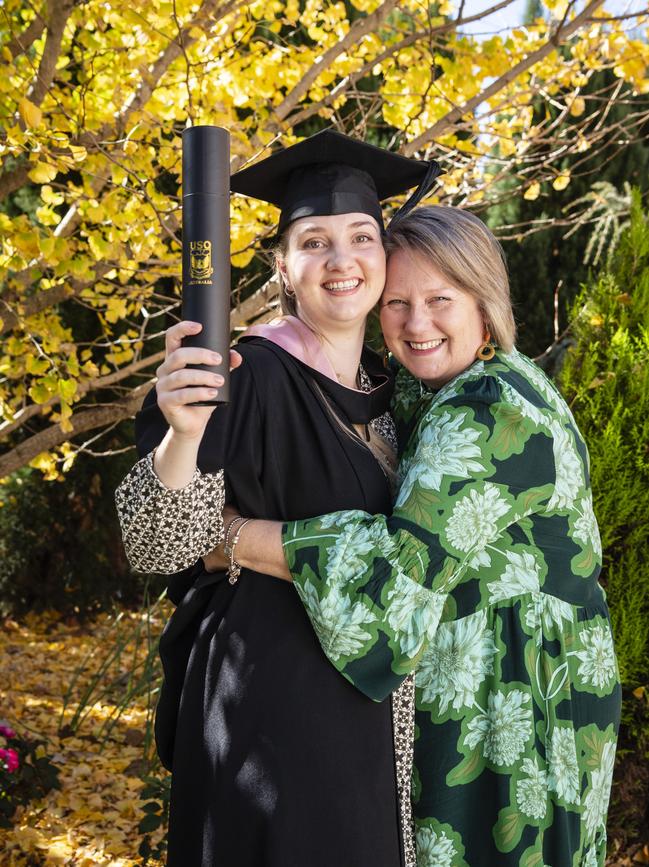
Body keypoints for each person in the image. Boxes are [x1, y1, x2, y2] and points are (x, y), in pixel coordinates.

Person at [222, 205, 622, 867]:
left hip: (518, 691)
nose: (416, 323)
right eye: (398, 302)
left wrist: (235, 534)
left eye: (441, 300)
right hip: (527, 671)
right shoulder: (457, 385)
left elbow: (394, 572)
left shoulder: (486, 412)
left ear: (483, 304)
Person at [115, 130, 440, 867]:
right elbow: (158, 545)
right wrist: (180, 434)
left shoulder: (396, 394)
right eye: (313, 240)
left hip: (363, 718)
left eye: (361, 235)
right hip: (272, 723)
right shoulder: (246, 374)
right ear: (284, 267)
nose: (341, 259)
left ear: (384, 255)